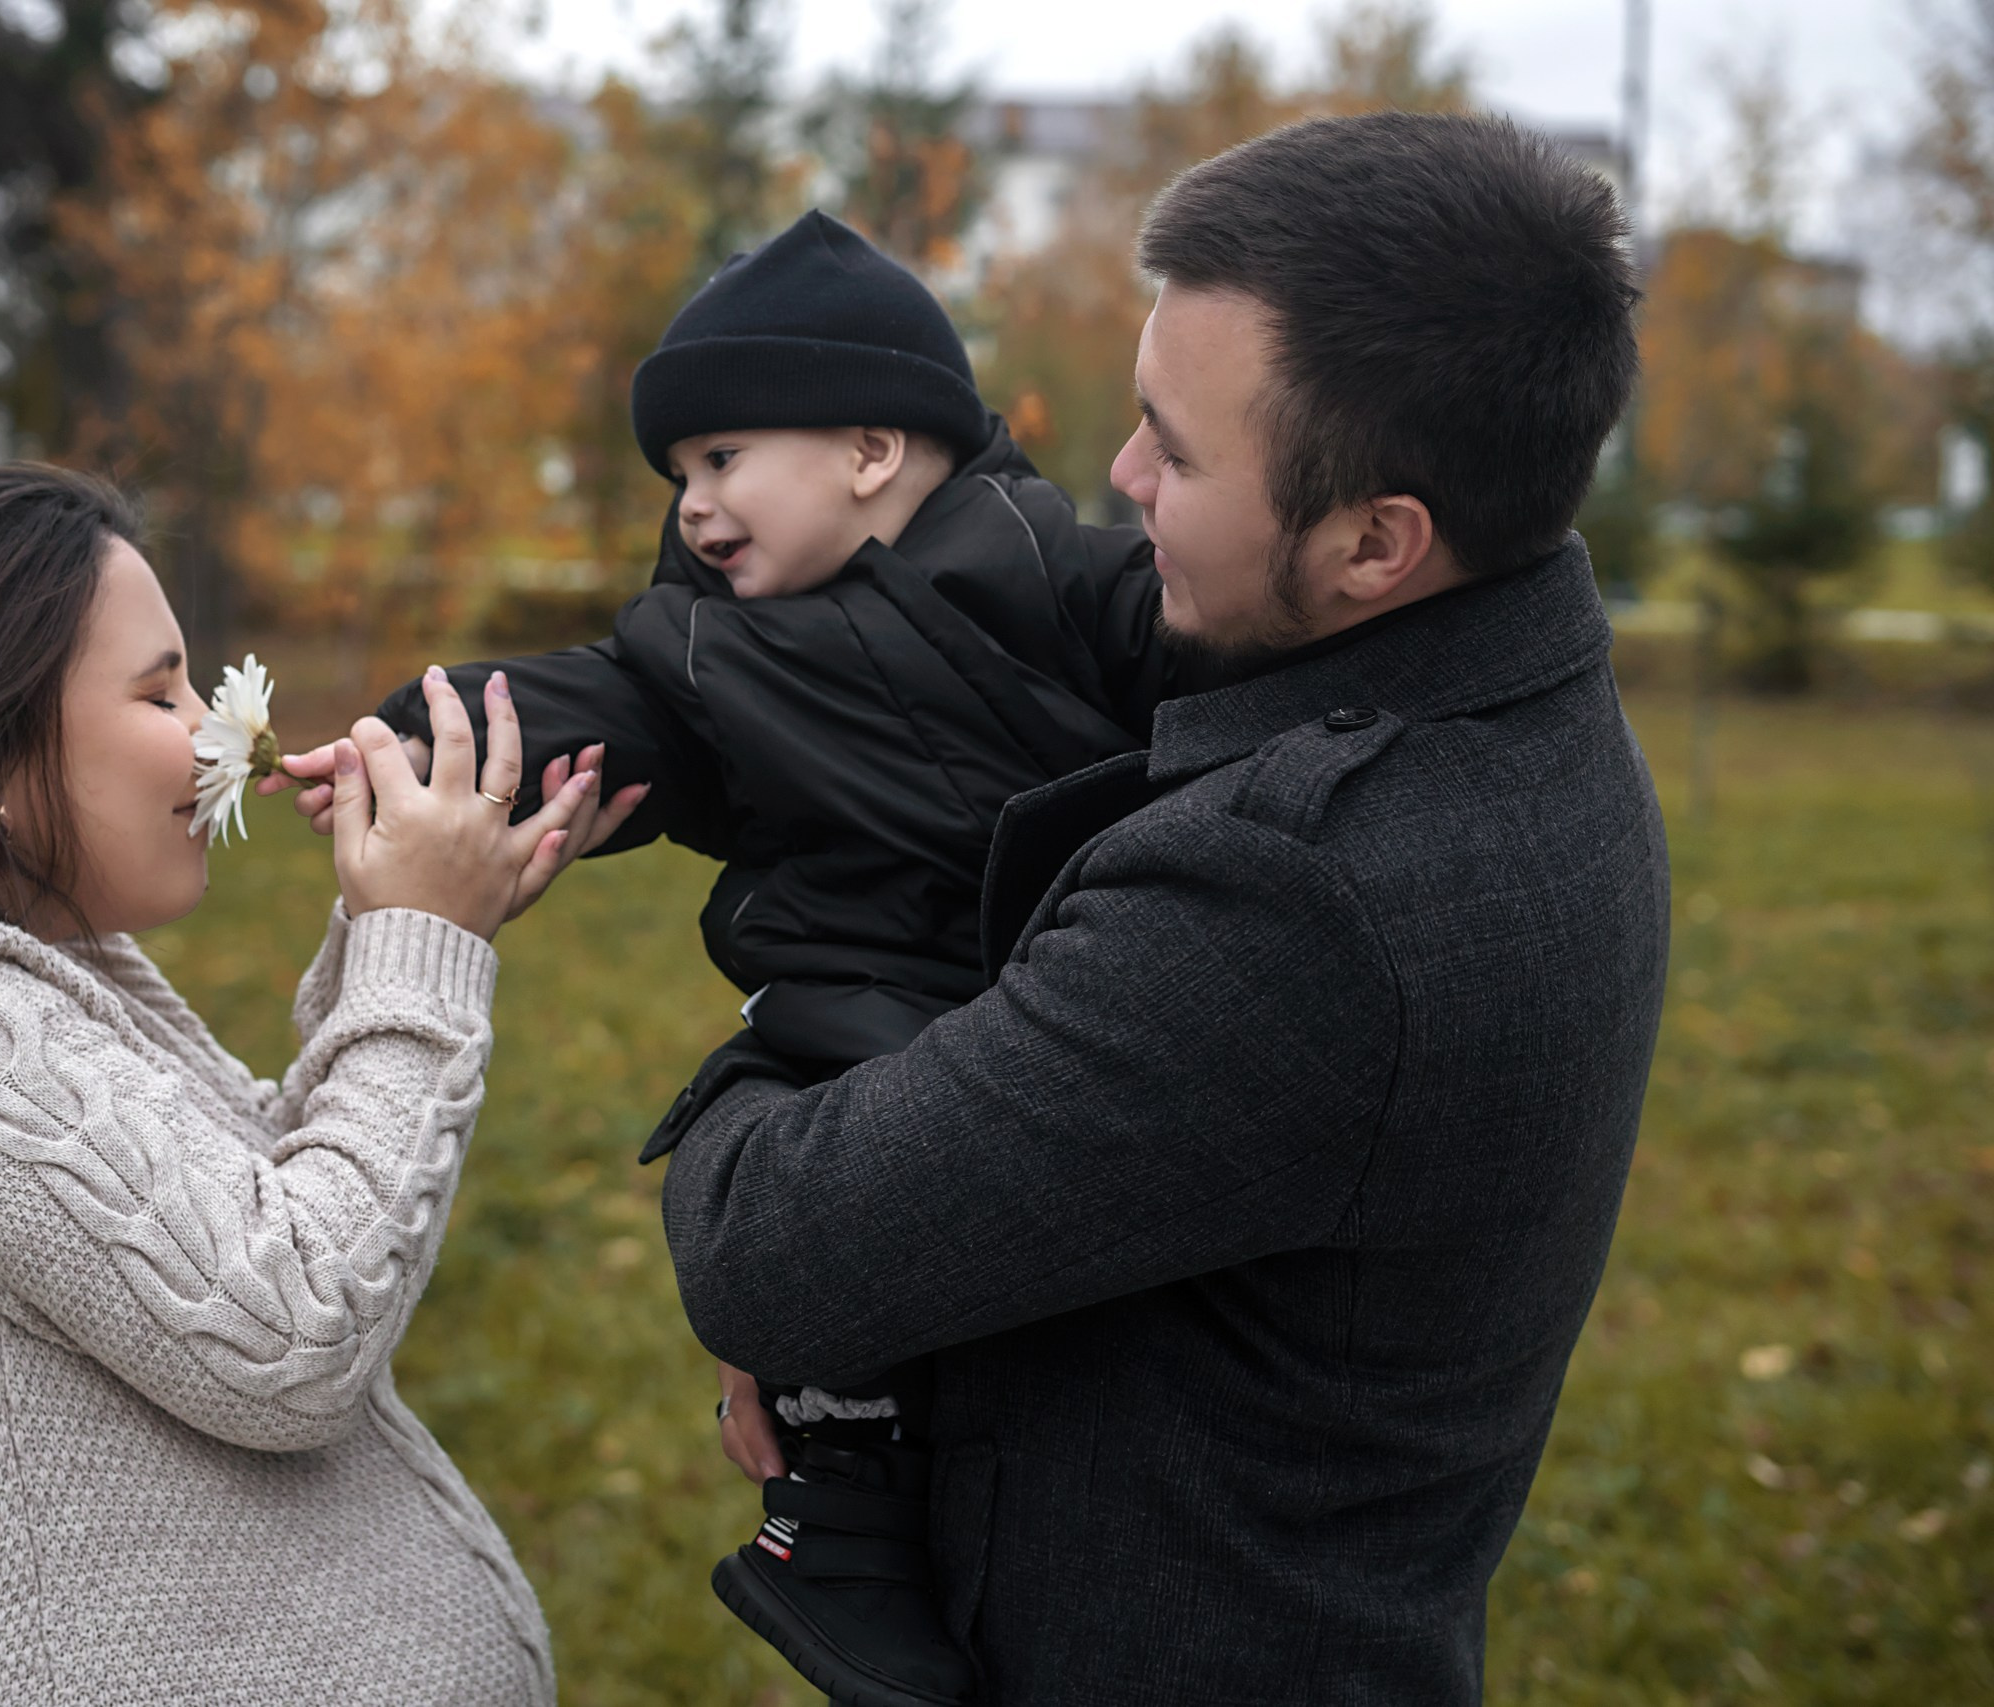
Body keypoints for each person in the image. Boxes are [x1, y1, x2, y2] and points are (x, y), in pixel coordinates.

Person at [652, 112, 1672, 1705]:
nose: (1119, 476)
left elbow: (772, 1252)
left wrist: (780, 1046)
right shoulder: (1526, 704)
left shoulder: (1303, 892)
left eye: (1176, 452)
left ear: (1374, 542)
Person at [300, 211, 1193, 1704]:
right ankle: (833, 1532)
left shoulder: (1048, 562)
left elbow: (1188, 643)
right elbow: (591, 704)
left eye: (723, 460)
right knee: (821, 1258)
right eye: (680, 477)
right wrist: (417, 735)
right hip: (843, 998)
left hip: (1050, 972)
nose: (697, 507)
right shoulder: (711, 648)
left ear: (865, 449)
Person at [0, 463, 640, 1706]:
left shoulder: (22, 969)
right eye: (160, 693)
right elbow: (290, 1327)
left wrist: (401, 932)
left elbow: (256, 1216)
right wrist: (422, 953)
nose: (221, 733)